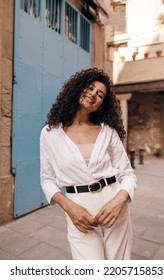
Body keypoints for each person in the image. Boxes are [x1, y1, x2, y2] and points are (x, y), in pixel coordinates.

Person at [40, 67, 137, 260]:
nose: (93, 94)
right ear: (77, 88)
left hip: (113, 203)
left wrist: (118, 202)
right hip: (79, 209)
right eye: (90, 88)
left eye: (100, 94)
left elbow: (128, 174)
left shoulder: (108, 131)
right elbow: (47, 179)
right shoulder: (50, 133)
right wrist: (69, 207)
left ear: (101, 105)